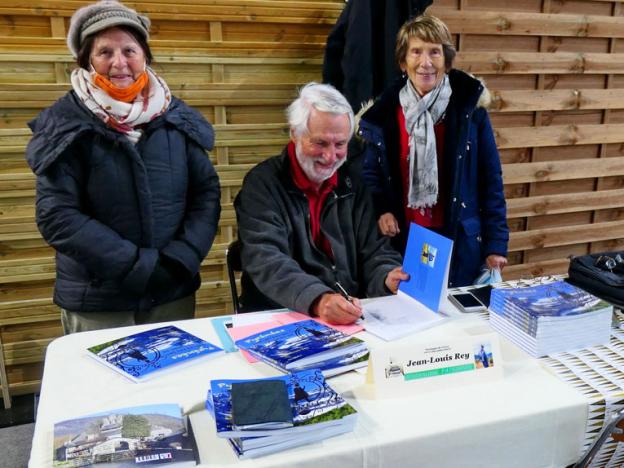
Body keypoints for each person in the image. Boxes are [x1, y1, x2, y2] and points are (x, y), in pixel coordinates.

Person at [25, 0, 221, 334]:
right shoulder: (66, 123)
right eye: (105, 52)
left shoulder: (175, 118)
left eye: (129, 50)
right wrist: (137, 266)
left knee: (173, 384)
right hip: (100, 302)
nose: (119, 63)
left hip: (170, 292)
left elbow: (206, 193)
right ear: (87, 59)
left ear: (145, 56)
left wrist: (181, 258)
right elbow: (57, 215)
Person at [234, 83, 407, 325]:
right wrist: (318, 299)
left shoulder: (353, 184)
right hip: (278, 316)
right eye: (320, 143)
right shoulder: (262, 185)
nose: (330, 157)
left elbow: (374, 250)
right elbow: (267, 260)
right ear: (294, 134)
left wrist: (387, 275)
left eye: (340, 144)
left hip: (347, 317)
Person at [359, 15, 509, 287]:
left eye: (435, 52)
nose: (425, 62)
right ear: (403, 62)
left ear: (446, 61)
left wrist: (496, 245)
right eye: (416, 51)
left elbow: (491, 181)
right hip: (404, 239)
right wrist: (382, 209)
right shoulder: (384, 115)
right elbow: (371, 174)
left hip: (459, 241)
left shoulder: (470, 112)